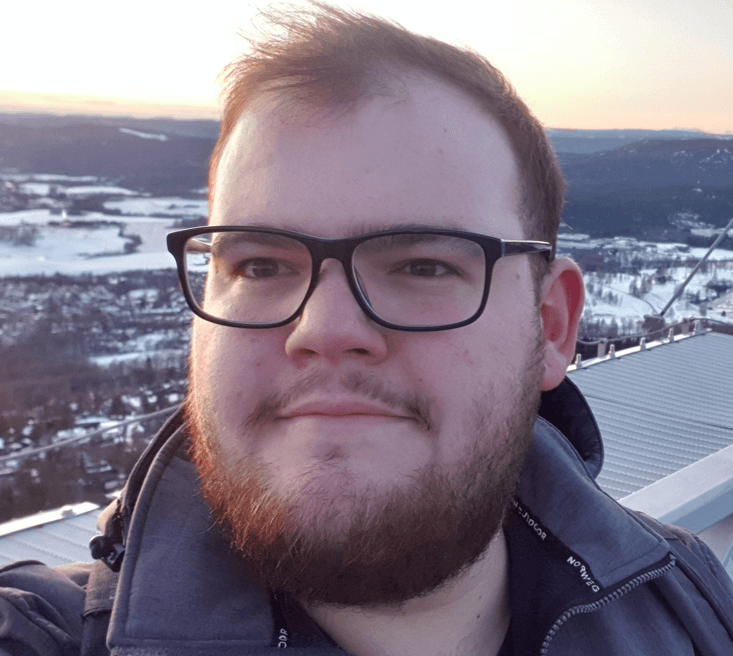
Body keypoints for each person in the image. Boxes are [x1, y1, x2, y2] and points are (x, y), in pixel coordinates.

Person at [1, 5, 732, 655]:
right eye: (258, 265)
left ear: (550, 327)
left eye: (420, 266)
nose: (322, 328)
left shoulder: (683, 598)